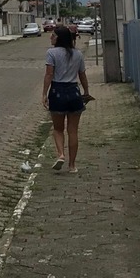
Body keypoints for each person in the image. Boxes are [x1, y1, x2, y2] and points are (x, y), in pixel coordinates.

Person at [43, 25, 92, 173]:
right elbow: (82, 74)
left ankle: (61, 154)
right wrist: (86, 91)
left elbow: (49, 75)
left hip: (58, 91)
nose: (51, 38)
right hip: (74, 92)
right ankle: (72, 165)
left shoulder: (51, 53)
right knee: (73, 131)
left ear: (59, 38)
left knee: (58, 129)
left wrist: (44, 94)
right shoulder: (77, 54)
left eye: (53, 35)